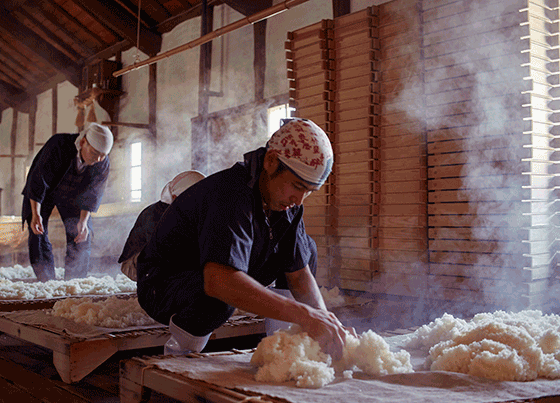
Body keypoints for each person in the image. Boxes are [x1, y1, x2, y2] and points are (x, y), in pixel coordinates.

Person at [136, 118, 356, 358]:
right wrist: (304, 315)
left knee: (306, 249)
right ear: (271, 162)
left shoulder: (288, 204)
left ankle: (284, 346)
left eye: (308, 191)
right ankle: (180, 351)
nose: (299, 200)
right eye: (296, 185)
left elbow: (298, 274)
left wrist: (324, 321)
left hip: (211, 273)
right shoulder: (230, 194)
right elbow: (218, 281)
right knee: (220, 294)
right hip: (163, 284)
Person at [22, 122, 113, 281]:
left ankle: (74, 281)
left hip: (74, 197)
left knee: (82, 234)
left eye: (103, 155)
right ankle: (46, 281)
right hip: (45, 192)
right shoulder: (58, 145)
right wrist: (36, 214)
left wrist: (83, 221)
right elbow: (38, 180)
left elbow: (92, 194)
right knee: (37, 230)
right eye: (94, 153)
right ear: (83, 142)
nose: (98, 159)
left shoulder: (102, 163)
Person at [118, 170, 206, 281]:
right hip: (135, 266)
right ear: (175, 197)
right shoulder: (155, 215)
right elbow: (159, 252)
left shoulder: (190, 212)